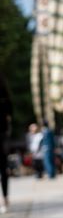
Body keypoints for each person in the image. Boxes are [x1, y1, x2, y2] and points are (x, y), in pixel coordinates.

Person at [0, 77, 12, 213]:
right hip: (3, 135)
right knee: (3, 168)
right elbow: (9, 117)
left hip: (2, 135)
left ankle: (4, 198)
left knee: (3, 168)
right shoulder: (6, 99)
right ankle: (5, 198)